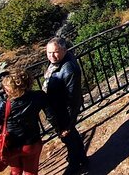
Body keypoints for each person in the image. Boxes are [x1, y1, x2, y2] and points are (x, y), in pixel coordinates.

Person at [0, 68, 57, 175]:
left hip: (10, 145)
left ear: (11, 90)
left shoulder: (4, 105)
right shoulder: (38, 96)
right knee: (31, 171)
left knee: (16, 171)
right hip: (31, 142)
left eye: (6, 89)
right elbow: (51, 115)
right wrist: (60, 128)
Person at [43, 37, 89, 174]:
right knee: (72, 136)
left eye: (55, 52)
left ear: (64, 50)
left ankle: (75, 165)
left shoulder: (69, 70)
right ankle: (82, 158)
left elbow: (73, 98)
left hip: (63, 110)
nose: (52, 56)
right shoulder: (61, 62)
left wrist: (69, 123)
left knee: (68, 137)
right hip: (59, 107)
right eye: (49, 52)